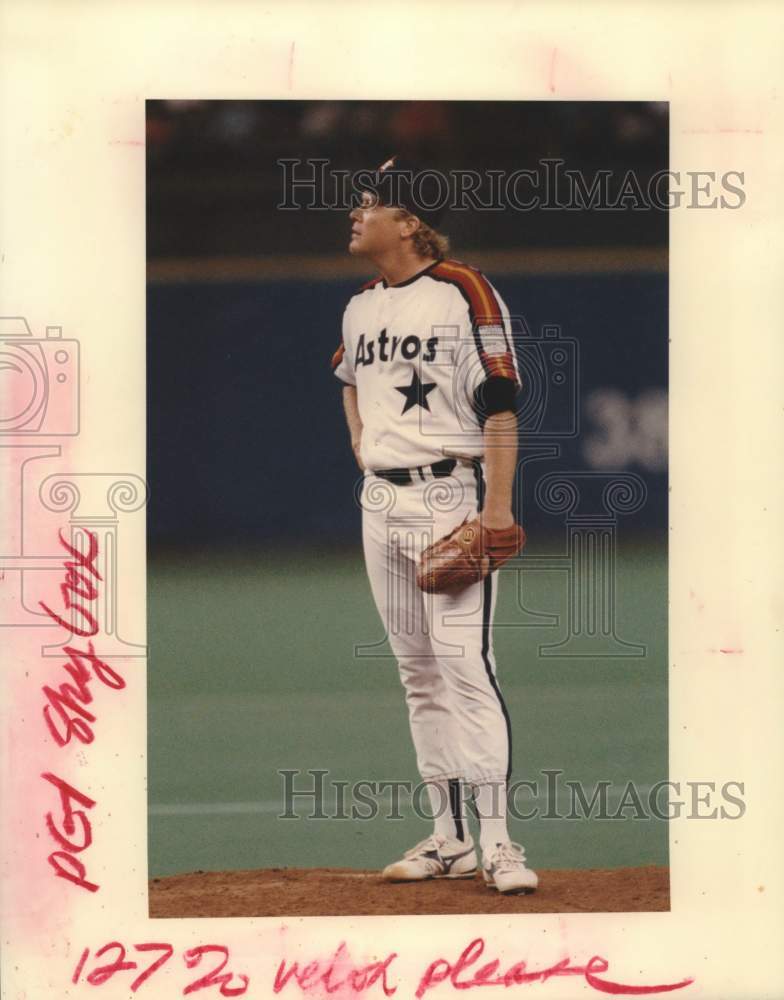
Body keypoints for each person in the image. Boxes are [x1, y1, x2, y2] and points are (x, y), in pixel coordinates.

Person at [332, 156, 537, 894]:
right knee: (417, 674)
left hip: (449, 497)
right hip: (378, 505)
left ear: (410, 222)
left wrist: (496, 508)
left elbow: (501, 399)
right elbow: (349, 382)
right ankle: (447, 838)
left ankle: (500, 844)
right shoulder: (360, 306)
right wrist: (360, 440)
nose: (355, 214)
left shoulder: (462, 291)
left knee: (464, 669)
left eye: (369, 204)